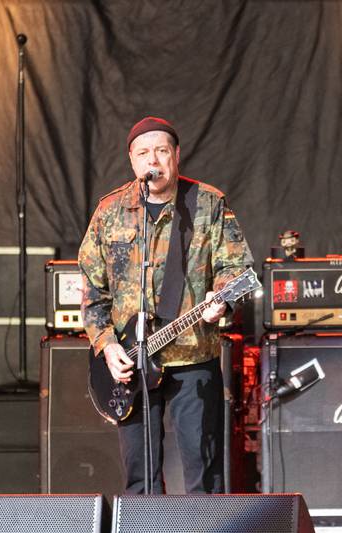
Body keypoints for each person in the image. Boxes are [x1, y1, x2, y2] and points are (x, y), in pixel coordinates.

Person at [79, 116, 253, 494]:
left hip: (193, 355)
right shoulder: (110, 212)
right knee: (141, 480)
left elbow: (235, 267)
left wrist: (220, 298)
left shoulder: (207, 203)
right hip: (132, 363)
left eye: (161, 151)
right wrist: (107, 345)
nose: (152, 160)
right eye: (143, 153)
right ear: (132, 161)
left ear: (176, 155)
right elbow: (93, 292)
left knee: (204, 475)